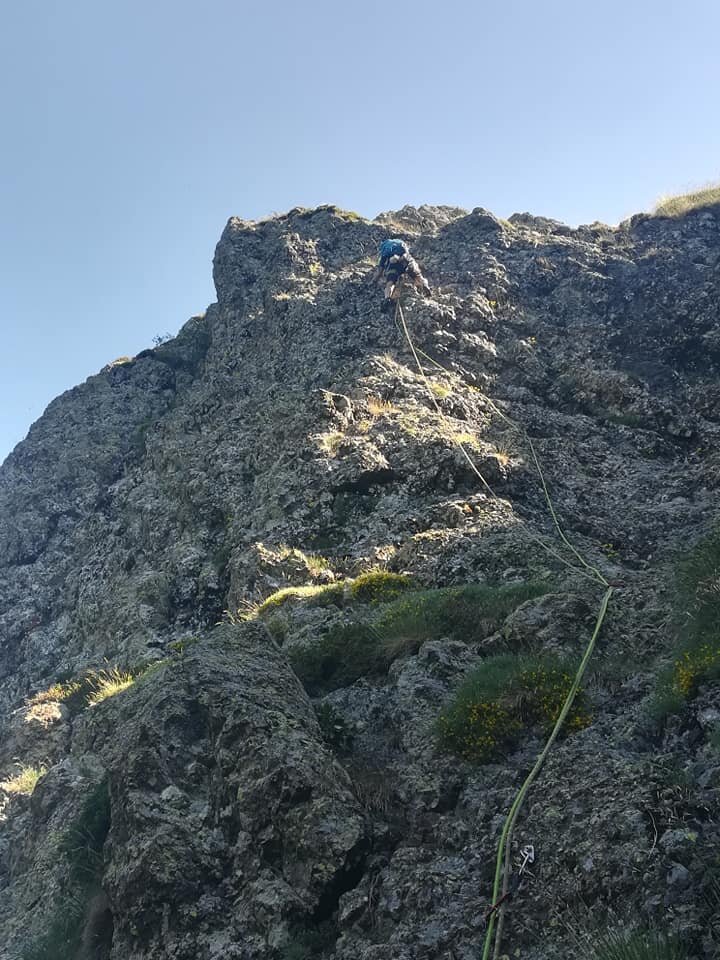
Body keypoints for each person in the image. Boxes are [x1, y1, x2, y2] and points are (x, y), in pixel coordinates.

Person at [374, 239, 431, 311]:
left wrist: (374, 280)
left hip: (394, 264)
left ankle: (387, 298)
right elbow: (406, 252)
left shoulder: (385, 252)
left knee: (390, 283)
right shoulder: (400, 244)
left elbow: (380, 269)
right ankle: (425, 286)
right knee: (418, 277)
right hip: (407, 260)